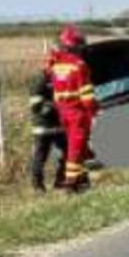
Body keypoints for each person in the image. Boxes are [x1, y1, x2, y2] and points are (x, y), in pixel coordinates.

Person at [45, 25, 97, 192]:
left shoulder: (55, 65)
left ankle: (82, 180)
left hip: (63, 111)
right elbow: (86, 96)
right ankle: (71, 182)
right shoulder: (79, 65)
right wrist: (94, 112)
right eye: (80, 45)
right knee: (76, 149)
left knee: (79, 147)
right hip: (77, 113)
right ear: (75, 46)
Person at [26, 68, 68, 192]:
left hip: (58, 125)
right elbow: (36, 106)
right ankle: (37, 186)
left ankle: (60, 181)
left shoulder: (60, 78)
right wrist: (55, 105)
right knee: (40, 157)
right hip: (43, 128)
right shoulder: (39, 80)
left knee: (68, 152)